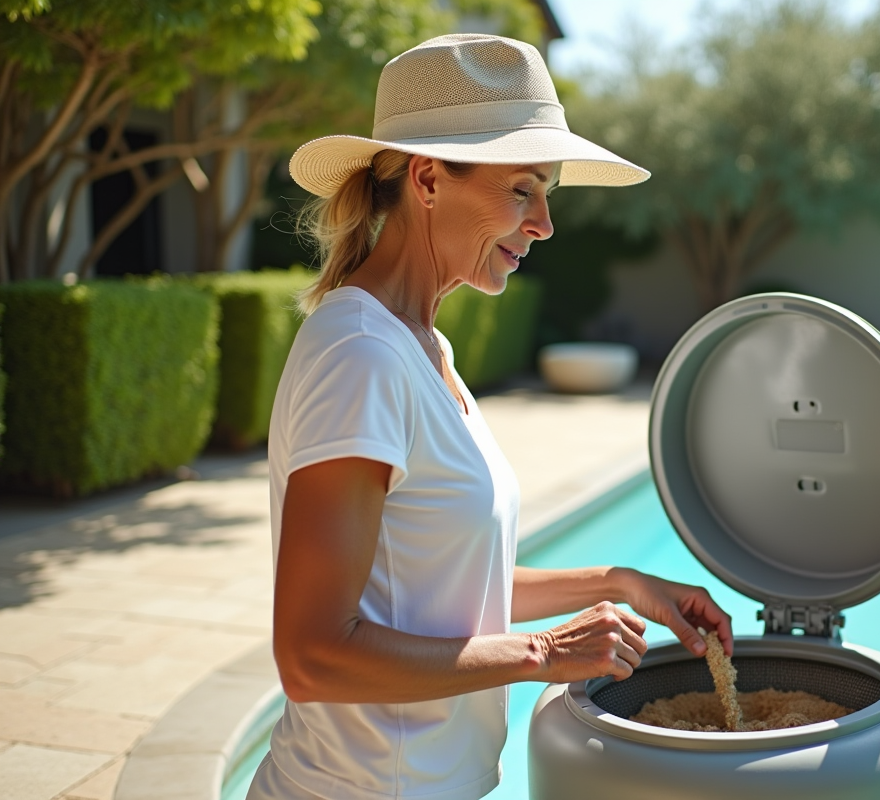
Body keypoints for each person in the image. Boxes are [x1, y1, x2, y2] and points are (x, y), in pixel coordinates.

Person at [248, 34, 734, 800]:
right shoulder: (360, 355)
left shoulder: (422, 347)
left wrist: (616, 581)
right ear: (429, 178)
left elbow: (439, 583)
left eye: (547, 194)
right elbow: (311, 657)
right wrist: (544, 651)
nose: (543, 223)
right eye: (522, 190)